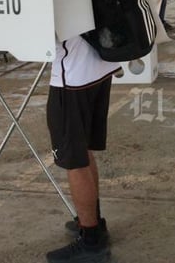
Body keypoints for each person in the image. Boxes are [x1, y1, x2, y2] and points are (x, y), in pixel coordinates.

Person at [45, 36, 119, 263]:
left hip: (72, 73)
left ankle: (91, 241)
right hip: (99, 61)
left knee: (74, 161)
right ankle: (94, 224)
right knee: (83, 150)